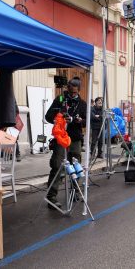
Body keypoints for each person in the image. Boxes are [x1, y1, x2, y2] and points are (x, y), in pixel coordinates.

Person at [45, 77, 86, 209]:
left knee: (76, 165)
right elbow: (48, 116)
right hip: (61, 138)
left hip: (75, 138)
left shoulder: (82, 104)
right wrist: (59, 117)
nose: (72, 94)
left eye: (74, 93)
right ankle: (51, 196)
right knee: (58, 166)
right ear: (67, 89)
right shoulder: (61, 99)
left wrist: (78, 120)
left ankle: (75, 191)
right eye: (70, 92)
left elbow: (87, 121)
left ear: (79, 90)